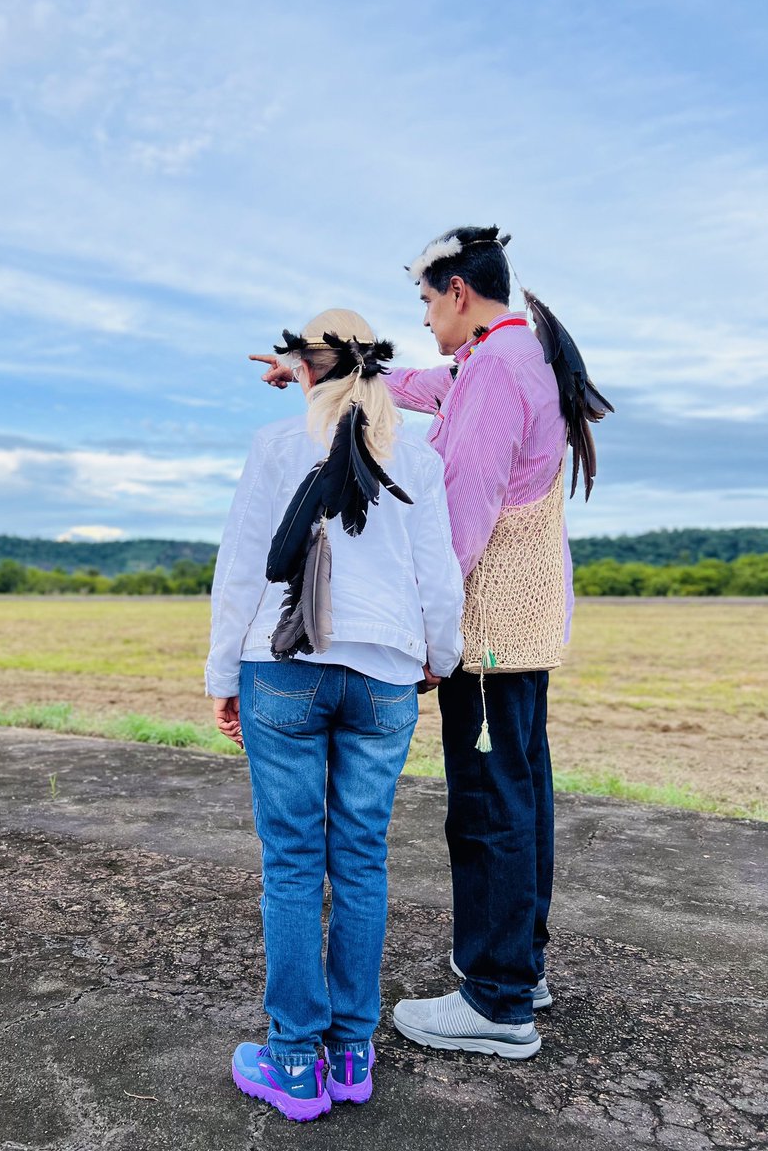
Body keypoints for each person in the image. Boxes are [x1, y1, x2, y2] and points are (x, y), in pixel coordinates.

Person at [252, 230, 611, 1061]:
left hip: (483, 635)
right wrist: (321, 368)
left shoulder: (494, 369)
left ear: (456, 291)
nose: (421, 318)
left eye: (424, 300)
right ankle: (520, 966)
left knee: (489, 807)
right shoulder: (513, 354)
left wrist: (426, 636)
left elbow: (465, 506)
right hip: (520, 633)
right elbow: (423, 383)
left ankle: (495, 998)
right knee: (522, 791)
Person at [207, 308, 464, 1121]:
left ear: (307, 367)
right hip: (385, 674)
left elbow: (243, 566)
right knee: (361, 859)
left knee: (291, 862)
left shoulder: (277, 446)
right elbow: (440, 573)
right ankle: (351, 1055)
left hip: (281, 668)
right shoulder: (415, 451)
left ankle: (291, 1062)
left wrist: (222, 674)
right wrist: (439, 657)